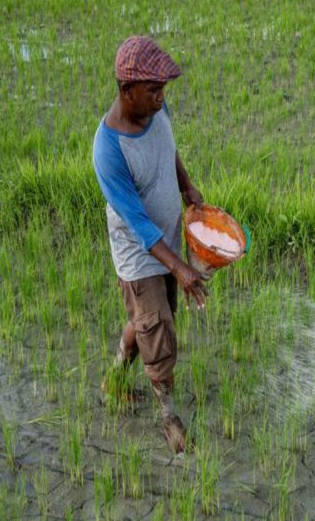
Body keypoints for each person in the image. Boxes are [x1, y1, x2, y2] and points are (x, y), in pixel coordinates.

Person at [92, 36, 208, 453]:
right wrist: (180, 267)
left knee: (152, 319)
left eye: (163, 90)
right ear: (127, 91)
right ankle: (169, 417)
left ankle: (116, 372)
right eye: (154, 91)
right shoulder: (108, 150)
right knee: (158, 335)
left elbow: (168, 149)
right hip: (140, 255)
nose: (162, 98)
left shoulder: (155, 107)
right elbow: (138, 225)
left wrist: (187, 185)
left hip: (168, 240)